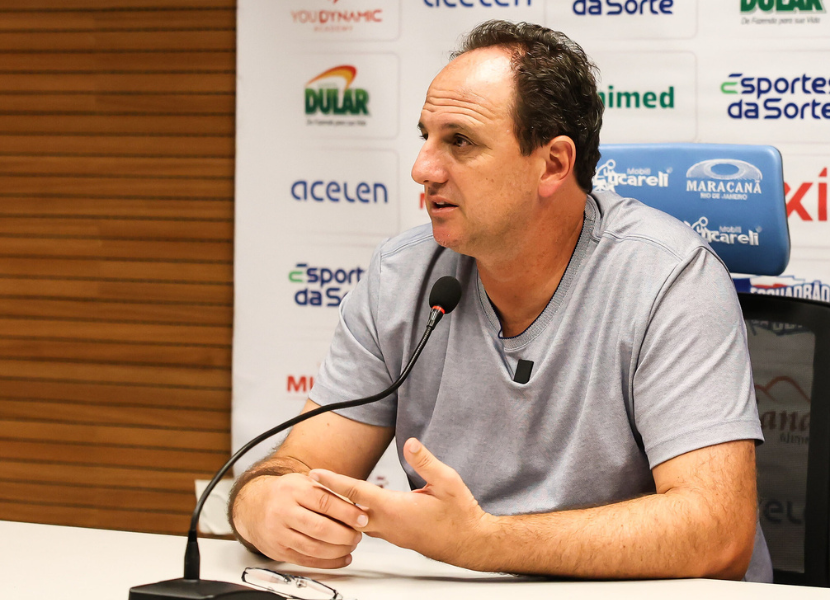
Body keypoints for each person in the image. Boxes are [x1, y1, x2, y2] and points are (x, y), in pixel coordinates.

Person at [229, 20, 771, 581]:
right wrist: (262, 507)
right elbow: (294, 467)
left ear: (554, 164)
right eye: (426, 137)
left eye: (459, 141)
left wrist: (483, 542)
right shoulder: (402, 276)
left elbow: (716, 532)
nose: (423, 169)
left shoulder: (669, 278)